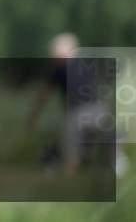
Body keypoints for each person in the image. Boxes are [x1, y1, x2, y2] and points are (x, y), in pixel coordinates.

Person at [26, 32, 115, 176]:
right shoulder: (84, 65)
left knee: (71, 152)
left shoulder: (59, 68)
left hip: (77, 114)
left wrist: (33, 117)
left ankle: (70, 178)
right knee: (104, 147)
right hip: (100, 110)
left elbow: (44, 94)